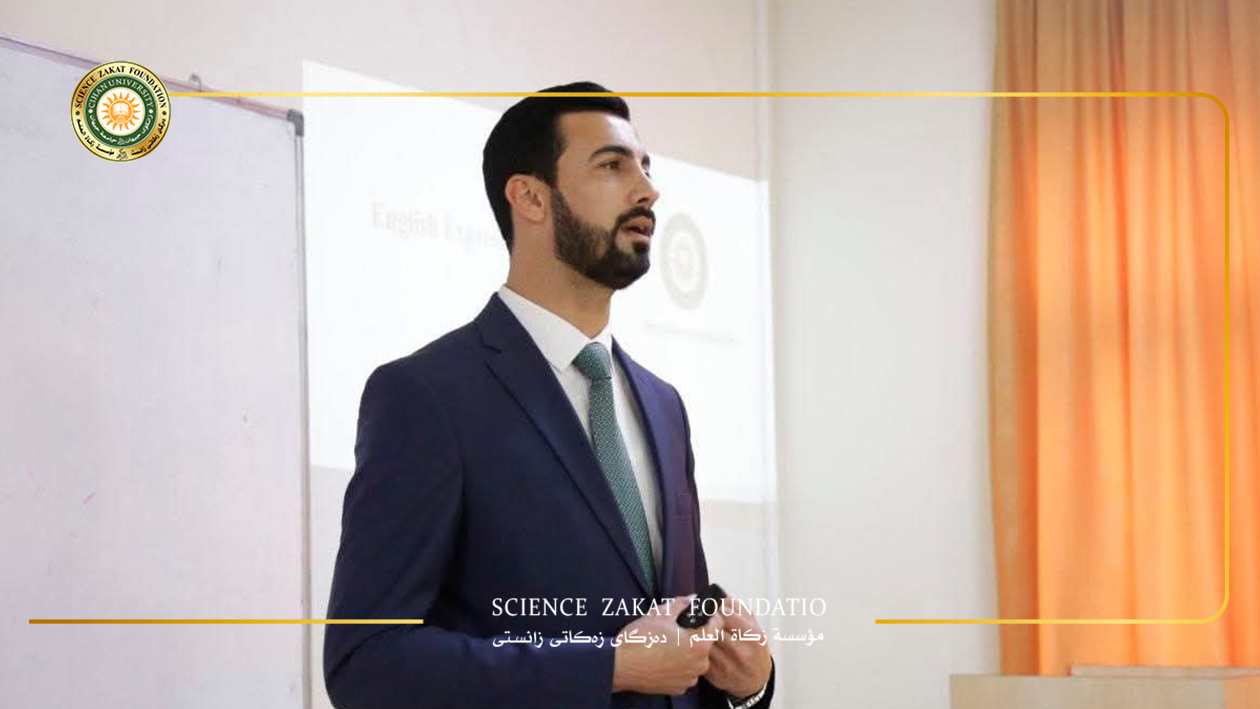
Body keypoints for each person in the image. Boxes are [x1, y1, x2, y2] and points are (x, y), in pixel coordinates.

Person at [323, 81, 775, 709]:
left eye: (646, 167)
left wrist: (748, 685)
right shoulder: (426, 396)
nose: (647, 190)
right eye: (612, 166)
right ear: (530, 197)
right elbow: (366, 663)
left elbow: (677, 651)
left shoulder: (665, 405)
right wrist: (606, 666)